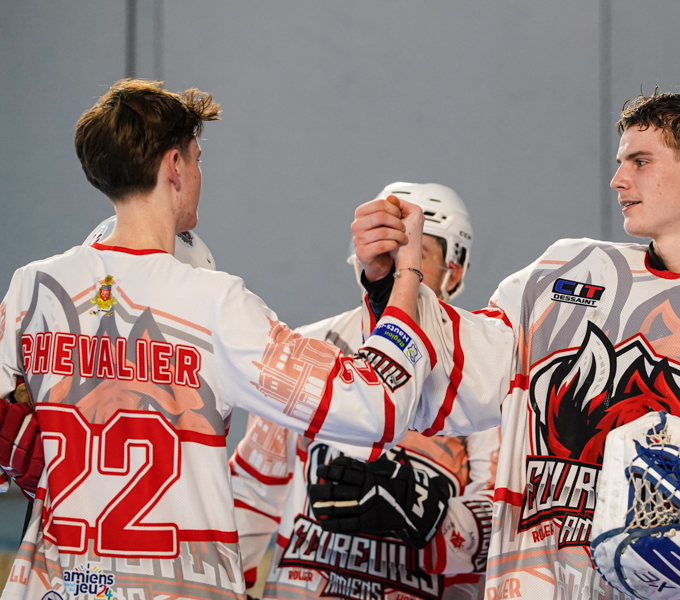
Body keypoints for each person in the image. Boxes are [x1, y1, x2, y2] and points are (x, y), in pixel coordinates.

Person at [349, 90, 680, 599]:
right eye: (619, 161)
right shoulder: (562, 271)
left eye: (639, 161)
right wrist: (394, 282)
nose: (617, 179)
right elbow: (464, 362)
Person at [0, 79, 447, 600]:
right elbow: (374, 404)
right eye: (196, 159)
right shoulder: (216, 304)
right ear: (174, 168)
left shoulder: (35, 287)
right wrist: (405, 275)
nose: (197, 174)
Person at [230, 182, 500, 600]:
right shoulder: (309, 348)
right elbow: (253, 491)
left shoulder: (482, 375)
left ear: (455, 268)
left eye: (416, 253)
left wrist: (417, 506)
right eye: (384, 249)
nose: (396, 265)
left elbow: (501, 532)